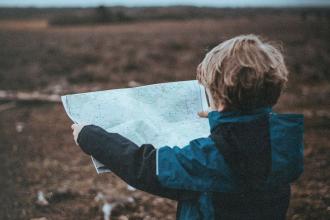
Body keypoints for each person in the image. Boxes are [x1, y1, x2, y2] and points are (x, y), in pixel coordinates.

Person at [71, 34, 304, 220]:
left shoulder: (212, 156)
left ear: (219, 97)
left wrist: (91, 137)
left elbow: (147, 167)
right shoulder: (283, 142)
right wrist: (221, 118)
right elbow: (248, 132)